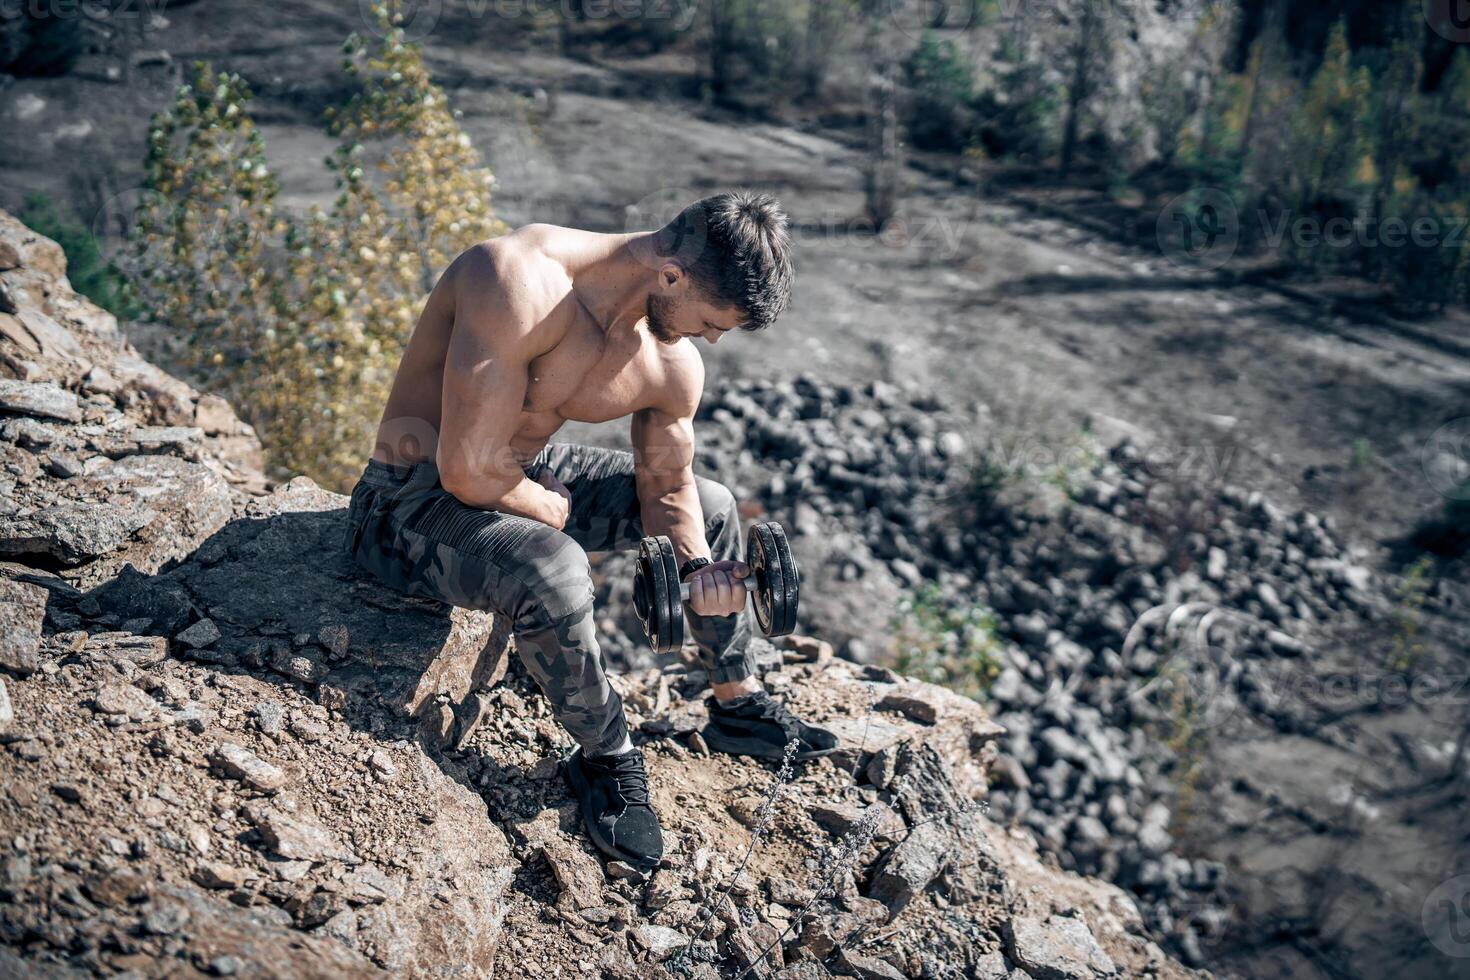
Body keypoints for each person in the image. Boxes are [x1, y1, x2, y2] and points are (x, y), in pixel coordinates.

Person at [343, 190, 838, 869]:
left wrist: (697, 572)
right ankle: (607, 759)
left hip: (521, 468)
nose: (715, 340)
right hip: (408, 502)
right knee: (554, 563)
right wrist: (548, 509)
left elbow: (667, 486)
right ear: (671, 275)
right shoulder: (517, 279)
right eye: (712, 321)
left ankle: (737, 703)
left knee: (713, 503)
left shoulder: (667, 358)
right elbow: (465, 469)